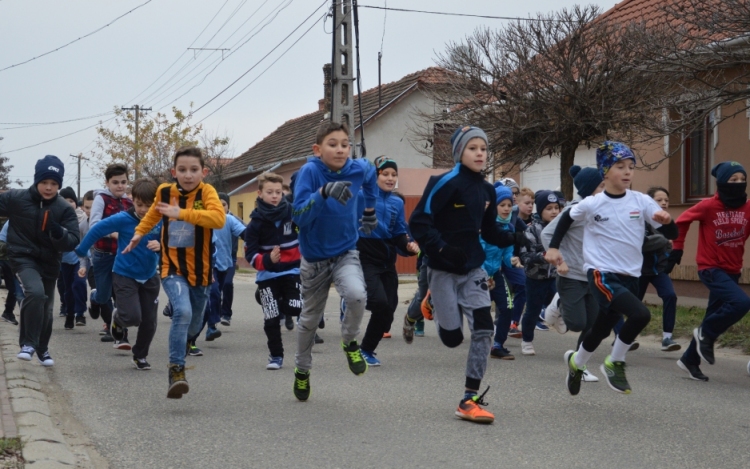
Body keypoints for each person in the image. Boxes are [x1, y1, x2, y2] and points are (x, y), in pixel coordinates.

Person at [545, 141, 676, 396]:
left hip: (630, 277)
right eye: (620, 166)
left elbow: (670, 232)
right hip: (601, 274)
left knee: (601, 329)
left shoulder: (642, 201)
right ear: (605, 171)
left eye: (631, 166)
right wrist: (553, 248)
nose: (627, 172)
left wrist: (668, 222)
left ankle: (577, 362)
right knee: (640, 315)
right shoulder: (592, 204)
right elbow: (564, 222)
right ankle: (615, 362)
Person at [410, 125, 518, 424]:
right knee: (452, 338)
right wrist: (442, 249)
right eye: (473, 148)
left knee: (484, 329)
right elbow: (418, 222)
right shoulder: (444, 182)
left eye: (483, 148)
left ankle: (469, 398)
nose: (480, 153)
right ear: (460, 152)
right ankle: (431, 300)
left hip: (473, 269)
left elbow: (490, 230)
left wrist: (513, 239)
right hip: (443, 269)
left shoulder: (487, 190)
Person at [123, 146, 226, 399]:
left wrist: (181, 214)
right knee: (183, 311)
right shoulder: (165, 192)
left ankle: (187, 338)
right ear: (174, 172)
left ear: (203, 172)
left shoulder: (208, 192)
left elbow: (218, 219)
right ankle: (176, 370)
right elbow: (151, 216)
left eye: (193, 170)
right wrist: (139, 234)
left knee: (193, 324)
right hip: (172, 267)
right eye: (182, 170)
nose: (188, 175)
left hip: (201, 272)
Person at [290, 121, 378, 402]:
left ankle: (350, 342)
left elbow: (372, 174)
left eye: (344, 144)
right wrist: (324, 192)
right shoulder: (309, 172)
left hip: (345, 252)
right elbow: (299, 216)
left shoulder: (358, 167)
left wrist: (369, 210)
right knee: (309, 320)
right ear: (318, 149)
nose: (340, 150)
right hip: (315, 259)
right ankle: (302, 371)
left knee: (356, 296)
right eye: (333, 144)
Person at [670, 161, 750, 381]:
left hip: (732, 269)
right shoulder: (708, 206)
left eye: (742, 180)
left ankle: (689, 360)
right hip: (711, 267)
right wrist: (677, 248)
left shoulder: (748, 207)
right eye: (733, 180)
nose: (739, 183)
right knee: (741, 303)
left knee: (713, 315)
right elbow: (682, 221)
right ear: (722, 182)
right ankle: (707, 333)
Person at [0, 155, 80, 366]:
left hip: (50, 262)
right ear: (36, 180)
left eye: (54, 183)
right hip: (22, 257)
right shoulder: (17, 198)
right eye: (44, 182)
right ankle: (28, 344)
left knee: (46, 309)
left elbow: (72, 241)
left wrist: (59, 233)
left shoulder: (63, 208)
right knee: (35, 293)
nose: (48, 187)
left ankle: (42, 349)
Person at [76, 179, 162, 369]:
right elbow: (97, 228)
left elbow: (174, 241)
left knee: (149, 322)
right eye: (139, 205)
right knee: (132, 317)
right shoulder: (124, 218)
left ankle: (140, 356)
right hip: (125, 274)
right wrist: (82, 250)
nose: (144, 210)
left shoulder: (161, 219)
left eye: (149, 206)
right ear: (133, 201)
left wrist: (161, 246)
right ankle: (118, 319)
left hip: (149, 276)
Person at [541, 164, 605, 382]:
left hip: (593, 276)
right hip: (571, 276)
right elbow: (547, 234)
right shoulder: (574, 210)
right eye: (601, 186)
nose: (605, 190)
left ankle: (579, 364)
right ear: (590, 189)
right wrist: (560, 259)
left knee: (592, 326)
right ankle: (558, 303)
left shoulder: (602, 211)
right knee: (577, 323)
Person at [357, 157, 418, 366]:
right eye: (385, 174)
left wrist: (408, 246)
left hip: (387, 259)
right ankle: (356, 299)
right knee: (379, 303)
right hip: (365, 255)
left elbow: (399, 231)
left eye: (394, 175)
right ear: (376, 176)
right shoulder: (361, 196)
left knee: (388, 308)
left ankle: (366, 350)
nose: (390, 178)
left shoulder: (397, 202)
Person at [244, 172, 301, 370]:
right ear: (260, 193)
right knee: (271, 318)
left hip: (291, 271)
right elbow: (250, 254)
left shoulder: (293, 213)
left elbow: (306, 231)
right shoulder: (255, 224)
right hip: (267, 275)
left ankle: (274, 303)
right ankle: (276, 356)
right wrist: (267, 260)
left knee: (296, 307)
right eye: (270, 192)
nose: (275, 196)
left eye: (278, 192)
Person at [482, 184, 527, 360]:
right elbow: (477, 252)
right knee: (482, 311)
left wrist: (513, 260)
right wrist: (484, 276)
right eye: (502, 205)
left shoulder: (509, 228)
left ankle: (498, 346)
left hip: (497, 274)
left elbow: (507, 254)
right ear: (494, 207)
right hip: (480, 275)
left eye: (509, 205)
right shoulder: (485, 227)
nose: (507, 209)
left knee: (507, 308)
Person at [90, 164, 132, 342]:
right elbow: (94, 225)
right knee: (104, 295)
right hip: (103, 254)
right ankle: (94, 296)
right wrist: (114, 233)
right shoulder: (101, 199)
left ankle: (120, 333)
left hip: (122, 255)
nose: (120, 186)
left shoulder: (129, 202)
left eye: (123, 182)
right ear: (107, 182)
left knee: (121, 295)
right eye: (115, 182)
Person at [518, 190, 561, 355]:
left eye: (556, 207)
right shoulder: (532, 230)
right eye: (549, 208)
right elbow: (525, 256)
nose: (554, 211)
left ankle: (559, 318)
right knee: (533, 310)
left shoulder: (562, 227)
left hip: (556, 276)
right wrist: (544, 256)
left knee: (561, 302)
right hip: (536, 277)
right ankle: (527, 340)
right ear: (541, 210)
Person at [202, 192, 245, 340]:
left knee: (216, 295)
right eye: (215, 204)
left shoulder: (229, 220)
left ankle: (210, 323)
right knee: (213, 292)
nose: (219, 207)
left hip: (224, 263)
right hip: (207, 264)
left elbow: (245, 233)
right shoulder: (203, 219)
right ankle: (211, 327)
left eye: (223, 204)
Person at [58, 187, 87, 331]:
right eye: (64, 201)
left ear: (76, 203)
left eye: (71, 201)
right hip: (64, 259)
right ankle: (70, 314)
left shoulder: (83, 218)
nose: (68, 204)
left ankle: (80, 314)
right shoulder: (56, 217)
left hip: (80, 258)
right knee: (68, 289)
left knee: (79, 284)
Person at [0, 222, 19, 325]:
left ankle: (8, 312)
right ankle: (8, 312)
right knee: (14, 286)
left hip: (7, 251)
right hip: (6, 253)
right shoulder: (15, 220)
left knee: (14, 287)